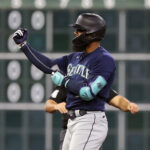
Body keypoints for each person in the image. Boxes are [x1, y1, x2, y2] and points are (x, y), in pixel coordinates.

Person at [13, 13, 116, 150]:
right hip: (73, 121)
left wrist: (65, 81)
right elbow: (49, 65)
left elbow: (89, 92)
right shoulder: (75, 57)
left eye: (79, 30)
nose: (75, 33)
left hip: (90, 120)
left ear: (91, 34)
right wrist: (24, 46)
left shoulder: (104, 60)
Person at [45, 86, 139, 150]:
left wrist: (128, 105)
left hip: (89, 129)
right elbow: (48, 105)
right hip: (69, 130)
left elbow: (116, 99)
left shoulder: (97, 84)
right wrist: (56, 106)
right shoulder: (66, 84)